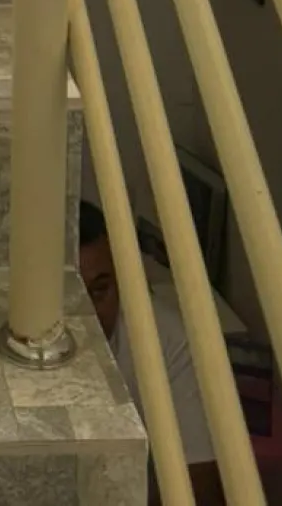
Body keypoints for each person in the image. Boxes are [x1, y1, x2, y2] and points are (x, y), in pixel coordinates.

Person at [79, 201, 226, 505]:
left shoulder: (164, 338)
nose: (86, 314)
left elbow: (198, 485)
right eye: (70, 293)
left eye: (100, 290)